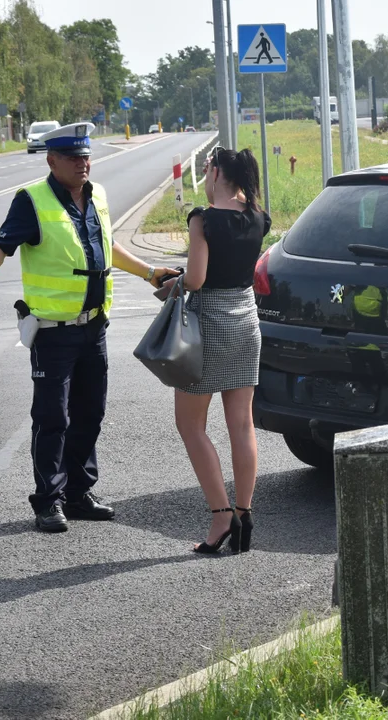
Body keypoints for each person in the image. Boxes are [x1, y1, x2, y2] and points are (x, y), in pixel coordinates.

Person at [0, 122, 178, 532]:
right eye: (73, 158)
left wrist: (150, 272)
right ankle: (48, 501)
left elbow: (108, 247)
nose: (82, 164)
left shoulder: (97, 195)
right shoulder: (31, 201)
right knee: (52, 418)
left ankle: (78, 493)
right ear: (52, 161)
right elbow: (4, 243)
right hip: (53, 331)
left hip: (94, 327)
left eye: (86, 157)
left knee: (91, 412)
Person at [167, 146, 268, 555]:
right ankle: (244, 513)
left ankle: (220, 515)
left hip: (209, 323)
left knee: (191, 425)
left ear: (214, 172)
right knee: (241, 425)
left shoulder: (203, 219)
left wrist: (169, 285)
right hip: (246, 321)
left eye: (207, 171)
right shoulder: (258, 217)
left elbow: (196, 278)